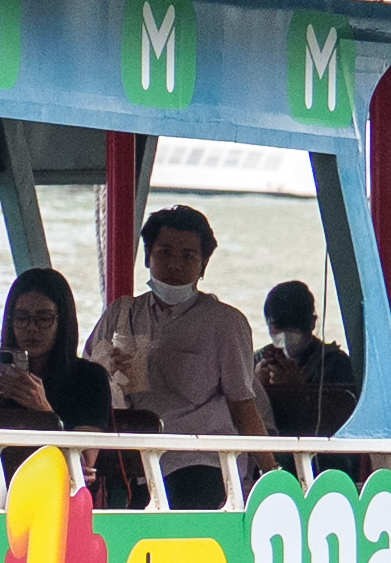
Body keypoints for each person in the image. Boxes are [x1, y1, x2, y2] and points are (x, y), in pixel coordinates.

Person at [92, 204, 271, 506]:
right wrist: (105, 368)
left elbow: (242, 404)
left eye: (188, 256)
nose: (174, 265)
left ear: (203, 265)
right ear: (147, 256)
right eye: (164, 253)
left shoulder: (225, 323)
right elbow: (88, 380)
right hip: (133, 458)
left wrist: (271, 472)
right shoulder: (121, 314)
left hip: (201, 460)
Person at [0, 266, 111, 431]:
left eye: (44, 318)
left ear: (62, 323)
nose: (32, 328)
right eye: (21, 317)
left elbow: (86, 448)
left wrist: (43, 410)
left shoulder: (90, 379)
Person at [257, 280, 360, 437]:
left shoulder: (336, 364)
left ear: (312, 323)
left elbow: (343, 422)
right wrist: (255, 386)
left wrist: (301, 392)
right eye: (277, 328)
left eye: (293, 329)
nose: (285, 337)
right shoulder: (256, 361)